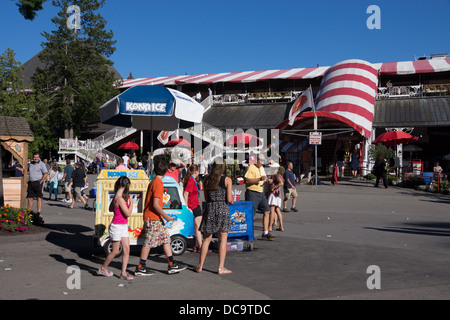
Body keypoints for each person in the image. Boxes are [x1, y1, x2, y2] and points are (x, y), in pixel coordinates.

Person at [135, 160, 187, 276]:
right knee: (148, 243)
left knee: (166, 239)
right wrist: (167, 216)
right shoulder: (158, 183)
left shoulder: (154, 181)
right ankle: (140, 267)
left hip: (155, 217)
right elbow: (155, 205)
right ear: (166, 171)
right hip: (153, 218)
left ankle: (172, 264)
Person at [193, 158, 233, 275]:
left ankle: (200, 265)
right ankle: (221, 267)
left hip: (210, 208)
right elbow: (230, 199)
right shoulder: (227, 180)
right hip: (222, 208)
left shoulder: (206, 179)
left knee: (206, 238)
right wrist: (229, 201)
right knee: (222, 239)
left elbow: (206, 198)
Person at [97, 176, 134, 280]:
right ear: (127, 185)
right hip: (117, 226)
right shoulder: (120, 199)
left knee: (127, 249)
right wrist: (131, 202)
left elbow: (110, 208)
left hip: (122, 226)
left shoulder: (117, 196)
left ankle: (123, 273)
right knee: (115, 251)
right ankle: (103, 268)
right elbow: (128, 213)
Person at [244, 153, 273, 241]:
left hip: (261, 192)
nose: (263, 162)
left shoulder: (262, 168)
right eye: (261, 160)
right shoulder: (251, 167)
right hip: (252, 192)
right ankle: (248, 233)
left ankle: (265, 232)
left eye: (264, 161)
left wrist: (268, 180)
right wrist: (259, 179)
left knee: (267, 211)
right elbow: (247, 180)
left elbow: (264, 178)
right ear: (257, 160)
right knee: (251, 214)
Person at [182, 165, 205, 253]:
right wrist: (187, 206)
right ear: (196, 171)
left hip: (194, 204)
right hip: (194, 205)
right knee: (198, 226)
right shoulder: (191, 180)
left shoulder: (192, 180)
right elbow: (186, 193)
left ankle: (197, 244)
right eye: (198, 171)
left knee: (196, 226)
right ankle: (201, 246)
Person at [268, 166, 285, 232]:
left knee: (272, 210)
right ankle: (281, 226)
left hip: (274, 194)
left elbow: (281, 183)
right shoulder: (280, 176)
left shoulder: (276, 175)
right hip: (278, 195)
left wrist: (274, 187)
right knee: (278, 210)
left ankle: (270, 226)